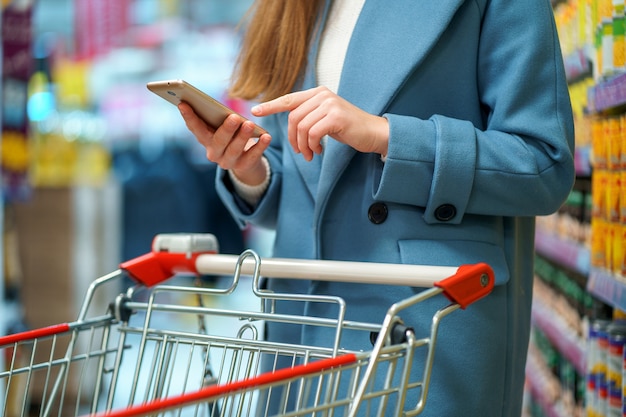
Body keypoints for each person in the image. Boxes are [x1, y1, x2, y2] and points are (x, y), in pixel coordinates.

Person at [178, 0, 575, 415]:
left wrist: (388, 137)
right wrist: (250, 170)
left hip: (420, 329)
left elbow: (543, 165)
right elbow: (310, 190)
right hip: (300, 327)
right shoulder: (286, 9)